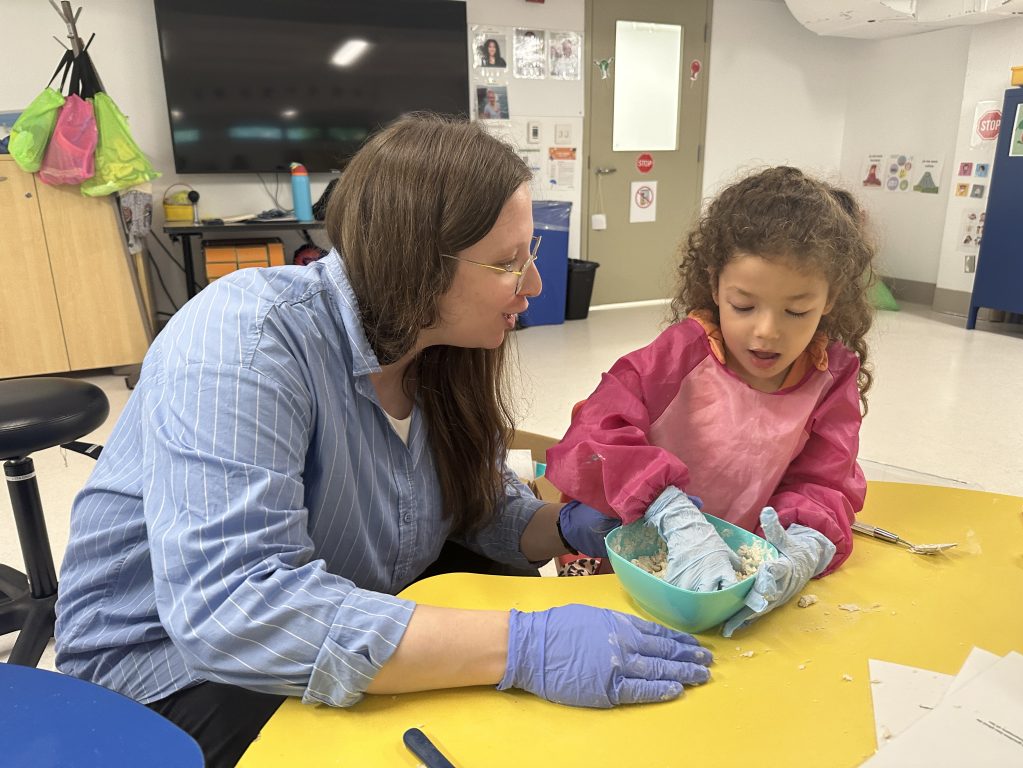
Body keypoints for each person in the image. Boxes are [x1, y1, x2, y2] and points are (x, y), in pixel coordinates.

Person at [53, 113, 714, 768]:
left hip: (343, 597)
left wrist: (570, 524)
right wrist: (525, 645)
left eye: (531, 254)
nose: (535, 287)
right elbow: (235, 611)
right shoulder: (247, 337)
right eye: (509, 264)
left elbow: (474, 507)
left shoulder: (438, 347)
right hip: (172, 671)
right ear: (416, 265)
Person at [548, 166, 876, 636]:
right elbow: (595, 433)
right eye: (744, 306)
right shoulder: (683, 355)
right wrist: (670, 511)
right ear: (715, 283)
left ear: (831, 298)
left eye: (796, 310)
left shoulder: (831, 375)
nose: (766, 331)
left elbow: (825, 477)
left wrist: (803, 543)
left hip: (736, 572)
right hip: (642, 553)